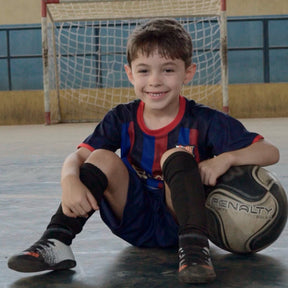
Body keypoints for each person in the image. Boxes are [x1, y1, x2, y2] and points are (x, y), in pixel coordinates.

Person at [8, 18, 279, 284]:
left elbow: (269, 152)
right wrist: (69, 180)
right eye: (144, 70)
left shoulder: (204, 120)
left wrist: (226, 159)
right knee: (100, 156)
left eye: (168, 70)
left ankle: (196, 251)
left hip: (182, 220)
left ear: (188, 72)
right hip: (132, 220)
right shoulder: (121, 118)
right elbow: (77, 157)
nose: (155, 81)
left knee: (176, 156)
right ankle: (56, 240)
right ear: (130, 73)